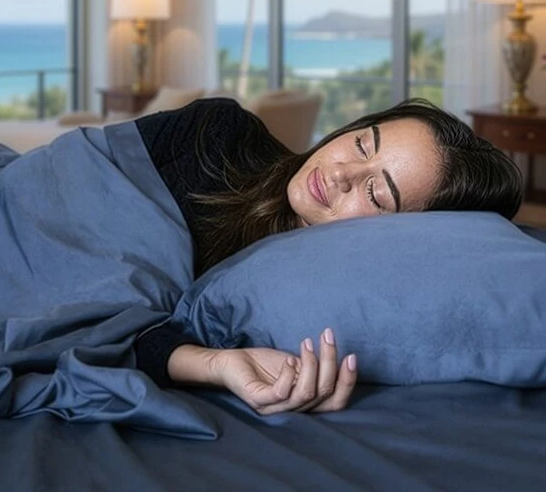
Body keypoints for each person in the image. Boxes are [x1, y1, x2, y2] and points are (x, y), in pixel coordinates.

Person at [132, 96, 523, 416]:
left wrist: (213, 366)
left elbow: (125, 338)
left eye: (376, 194)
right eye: (361, 144)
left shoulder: (315, 307)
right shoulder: (214, 134)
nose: (341, 173)